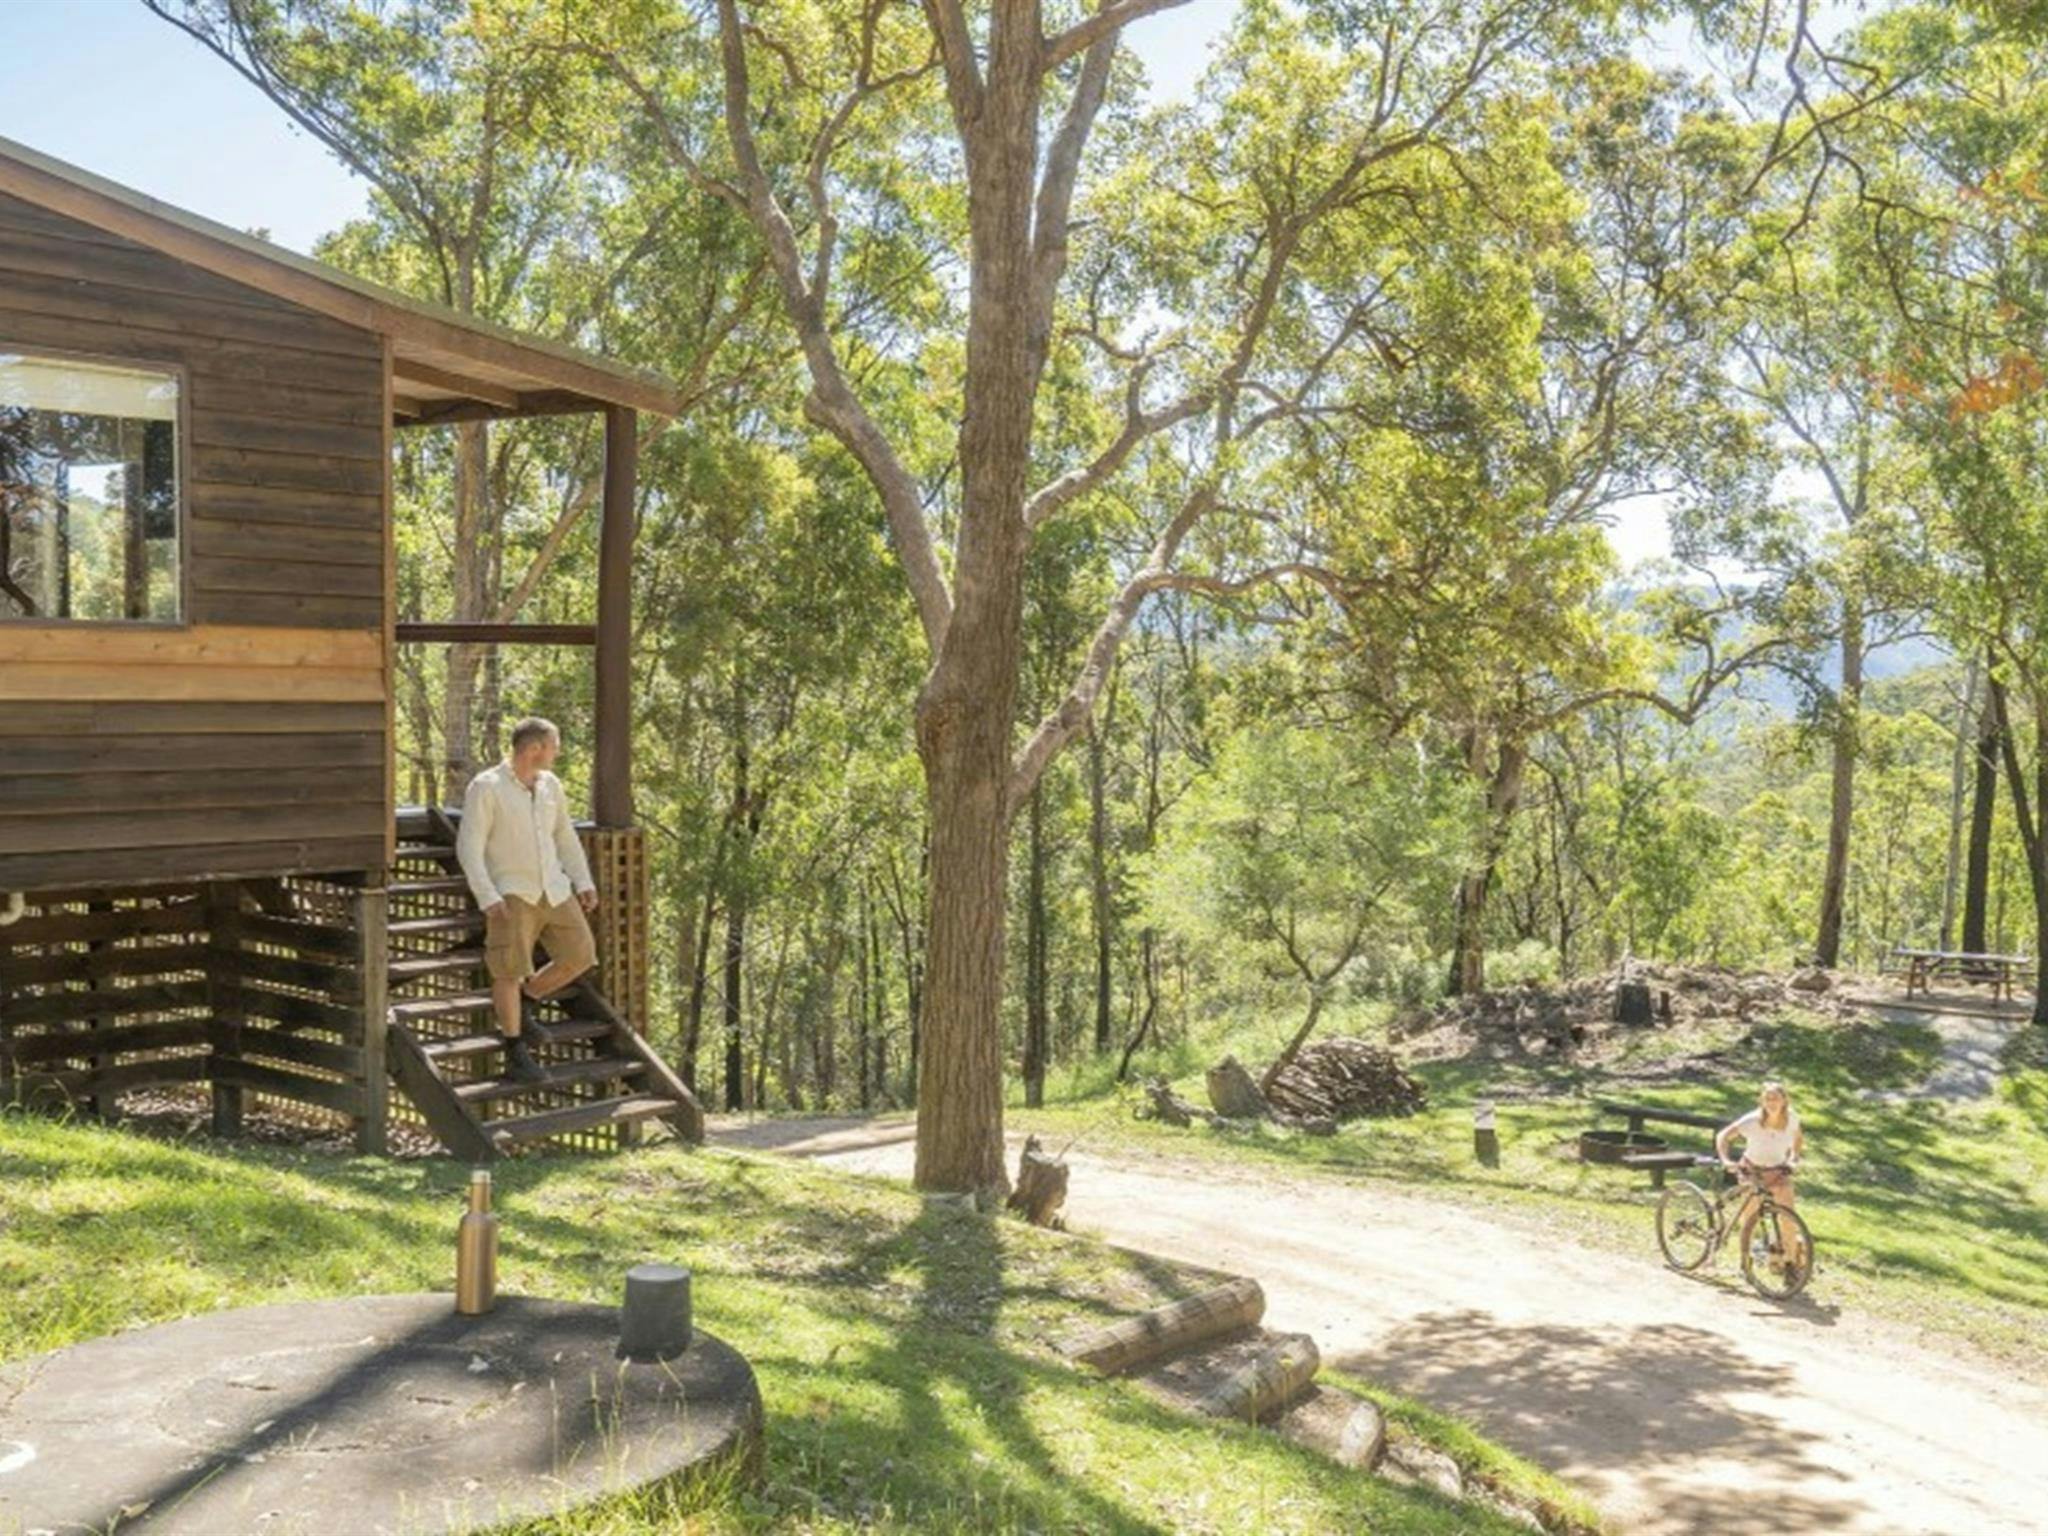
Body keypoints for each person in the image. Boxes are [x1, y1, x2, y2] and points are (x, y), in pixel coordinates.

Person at [455, 717, 600, 1082]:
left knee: (580, 955)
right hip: (511, 893)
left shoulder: (551, 785)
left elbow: (565, 837)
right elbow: (469, 846)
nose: (558, 752)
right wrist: (486, 895)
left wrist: (583, 881)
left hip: (554, 888)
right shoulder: (486, 787)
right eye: (554, 745)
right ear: (535, 748)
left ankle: (527, 1000)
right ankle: (515, 1049)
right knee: (508, 969)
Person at [1716, 1080, 1807, 1275]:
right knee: (1750, 1217)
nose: (1772, 1102)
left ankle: (1790, 1262)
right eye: (1768, 1099)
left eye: (1776, 1098)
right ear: (1762, 1101)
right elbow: (1723, 1136)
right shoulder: (1752, 1120)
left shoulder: (1792, 1119)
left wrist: (1793, 1159)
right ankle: (1744, 1261)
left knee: (1788, 1217)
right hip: (1753, 1170)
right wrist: (1725, 1160)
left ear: (1784, 1100)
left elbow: (1798, 1139)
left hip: (1778, 1170)